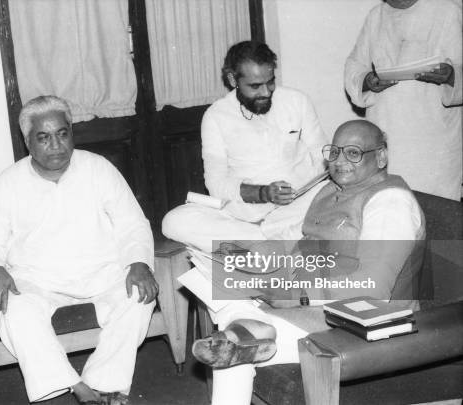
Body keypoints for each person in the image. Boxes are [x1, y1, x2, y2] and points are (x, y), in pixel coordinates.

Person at [190, 120, 425, 405]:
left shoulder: (390, 203)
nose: (340, 161)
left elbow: (373, 288)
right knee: (210, 278)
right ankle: (247, 332)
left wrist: (296, 297)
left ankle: (247, 332)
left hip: (363, 321)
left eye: (353, 153)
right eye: (334, 152)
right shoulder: (330, 190)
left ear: (381, 157)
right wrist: (257, 260)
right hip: (316, 303)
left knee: (233, 349)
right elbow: (306, 244)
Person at [0, 96, 157, 405]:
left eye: (62, 133)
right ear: (27, 141)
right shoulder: (7, 183)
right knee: (15, 312)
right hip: (39, 280)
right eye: (43, 137)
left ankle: (104, 386)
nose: (56, 145)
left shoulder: (98, 169)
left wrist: (138, 262)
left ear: (72, 132)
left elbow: (132, 223)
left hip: (101, 274)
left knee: (139, 295)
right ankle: (77, 387)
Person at [163, 41, 329, 252]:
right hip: (245, 214)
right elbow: (216, 183)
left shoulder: (297, 101)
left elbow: (322, 156)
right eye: (255, 86)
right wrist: (264, 193)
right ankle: (270, 241)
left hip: (297, 207)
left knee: (331, 193)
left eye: (270, 82)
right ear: (233, 79)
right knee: (174, 221)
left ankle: (263, 243)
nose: (266, 92)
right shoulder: (216, 116)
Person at [345, 0, 462, 200]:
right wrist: (367, 81)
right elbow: (354, 65)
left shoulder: (447, 11)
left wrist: (451, 75)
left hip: (433, 143)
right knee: (389, 211)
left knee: (436, 216)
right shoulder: (376, 16)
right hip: (387, 134)